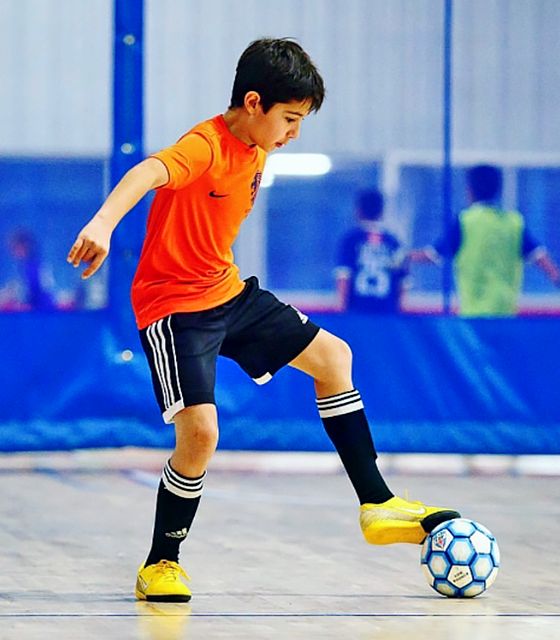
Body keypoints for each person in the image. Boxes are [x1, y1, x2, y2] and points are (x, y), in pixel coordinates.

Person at [67, 38, 459, 604]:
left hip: (227, 290)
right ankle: (161, 563)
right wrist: (104, 222)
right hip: (175, 308)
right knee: (201, 435)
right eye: (290, 119)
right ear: (253, 103)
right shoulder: (204, 146)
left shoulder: (259, 144)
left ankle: (376, 503)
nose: (294, 132)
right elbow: (149, 170)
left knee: (335, 357)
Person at [411, 164, 560, 317]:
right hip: (505, 313)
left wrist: (404, 256)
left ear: (470, 190)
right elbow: (539, 256)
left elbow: (432, 255)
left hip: (474, 315)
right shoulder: (513, 223)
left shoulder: (466, 221)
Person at [334, 189, 408, 314]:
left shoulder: (351, 240)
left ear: (358, 210)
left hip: (358, 310)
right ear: (381, 211)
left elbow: (344, 276)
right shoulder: (393, 242)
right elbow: (403, 282)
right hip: (387, 312)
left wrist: (341, 309)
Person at [1, 227, 56, 311]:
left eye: (16, 247)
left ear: (25, 246)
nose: (14, 252)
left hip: (39, 312)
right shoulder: (23, 267)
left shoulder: (34, 267)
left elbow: (35, 292)